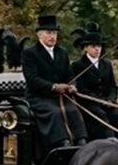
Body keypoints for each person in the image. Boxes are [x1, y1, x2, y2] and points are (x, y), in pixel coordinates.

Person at [20, 15, 87, 157]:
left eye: (55, 33)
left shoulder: (62, 52)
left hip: (61, 97)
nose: (52, 37)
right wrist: (53, 86)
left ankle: (81, 141)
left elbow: (69, 75)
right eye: (49, 33)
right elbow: (32, 79)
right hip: (38, 97)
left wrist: (72, 85)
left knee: (73, 110)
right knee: (54, 112)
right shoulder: (29, 54)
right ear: (39, 35)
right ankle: (61, 144)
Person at [70, 22, 118, 140]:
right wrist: (101, 101)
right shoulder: (78, 65)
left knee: (117, 115)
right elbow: (81, 89)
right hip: (89, 103)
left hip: (108, 102)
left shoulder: (106, 64)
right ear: (86, 47)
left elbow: (113, 86)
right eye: (93, 46)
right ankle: (109, 143)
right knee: (101, 117)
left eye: (99, 46)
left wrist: (111, 100)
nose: (97, 49)